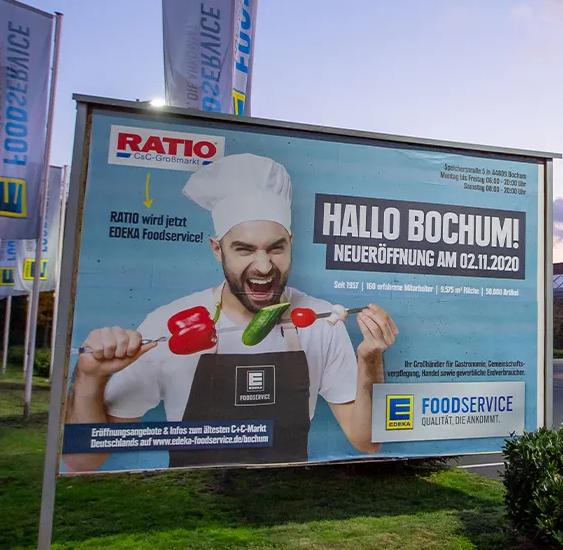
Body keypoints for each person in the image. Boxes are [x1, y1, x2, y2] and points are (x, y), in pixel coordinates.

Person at [63, 152, 398, 472]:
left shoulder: (321, 320)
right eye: (244, 249)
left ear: (291, 243)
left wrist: (371, 361)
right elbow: (82, 461)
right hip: (196, 513)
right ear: (216, 249)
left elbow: (366, 442)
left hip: (292, 514)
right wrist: (90, 376)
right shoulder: (170, 324)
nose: (264, 266)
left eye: (275, 248)